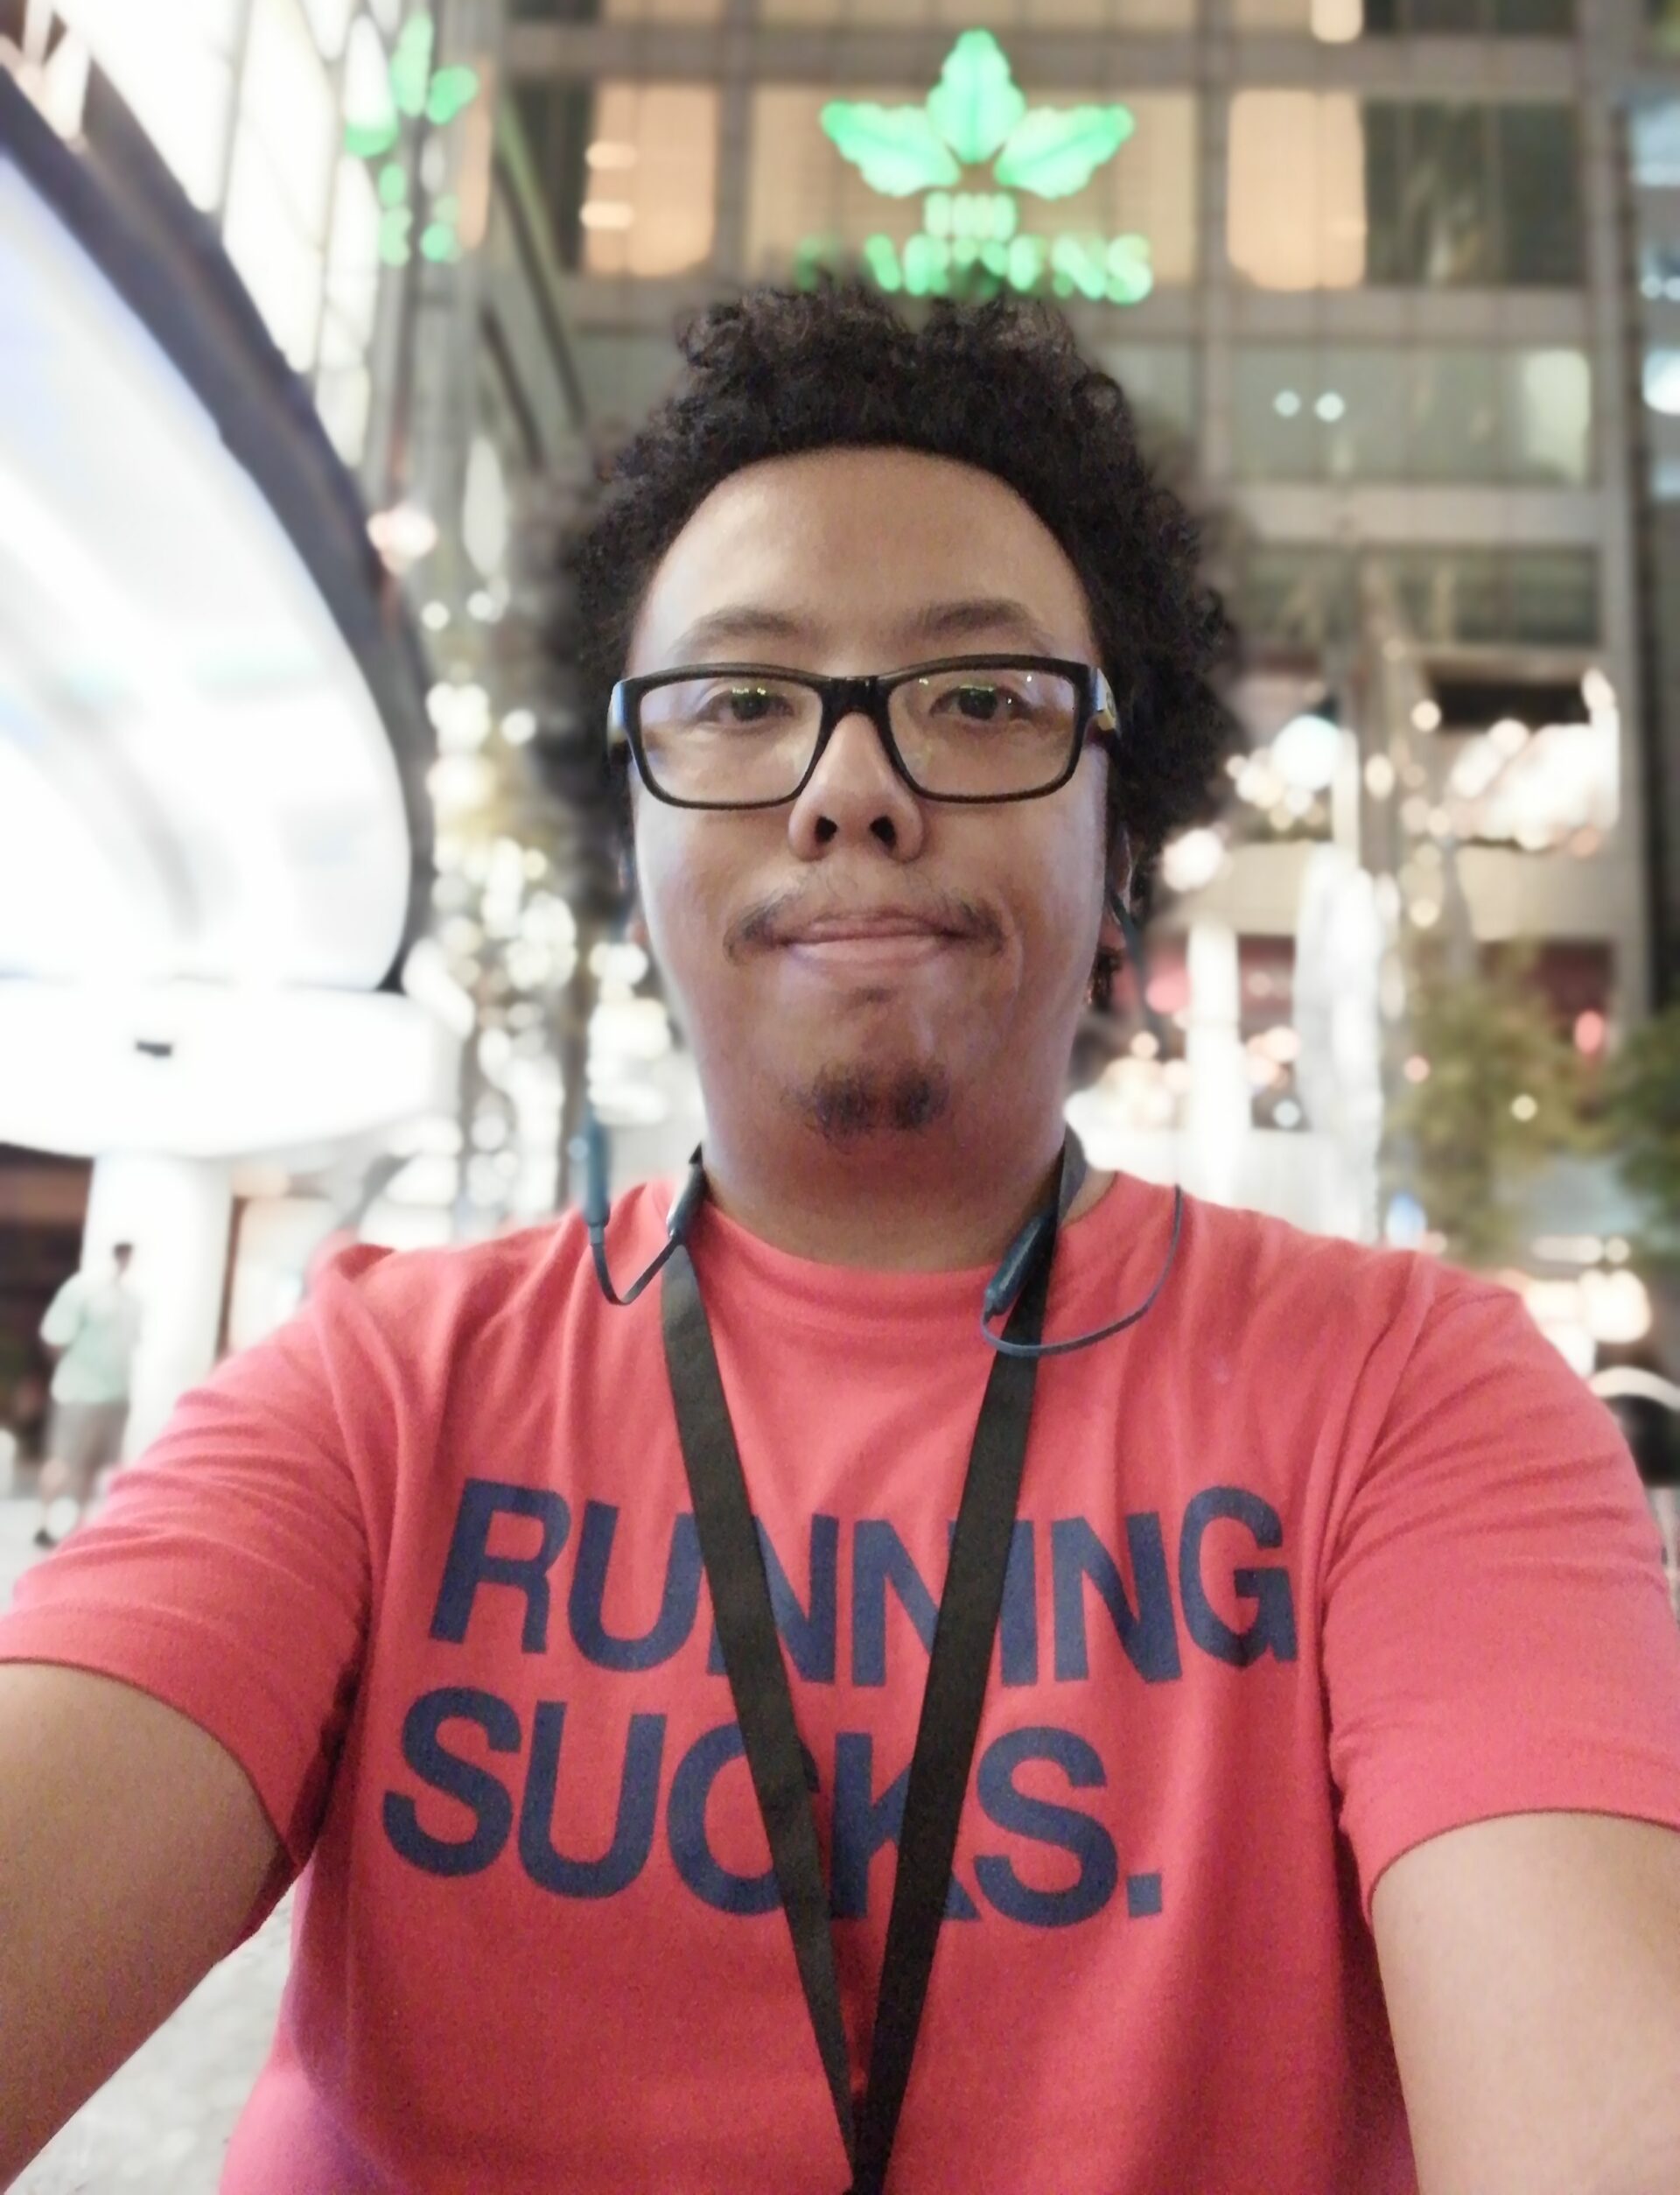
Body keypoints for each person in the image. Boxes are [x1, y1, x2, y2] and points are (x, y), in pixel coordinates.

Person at [2, 285, 1679, 2195]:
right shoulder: (377, 1397)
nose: (850, 787)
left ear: (1121, 839)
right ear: (635, 836)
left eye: (981, 699)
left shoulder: (1413, 1402)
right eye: (741, 702)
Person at [31, 1240, 140, 1548]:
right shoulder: (81, 1291)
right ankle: (44, 1521)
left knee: (96, 1464)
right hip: (79, 1393)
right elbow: (55, 1336)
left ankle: (77, 1527)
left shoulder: (132, 1301)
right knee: (63, 1461)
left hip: (116, 1394)